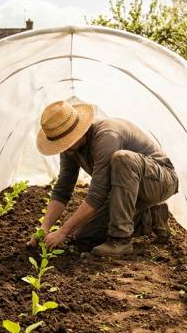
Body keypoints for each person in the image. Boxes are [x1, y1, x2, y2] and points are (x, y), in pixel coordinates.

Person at [29, 100, 178, 257]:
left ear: (78, 132)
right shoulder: (70, 149)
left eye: (66, 142)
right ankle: (151, 217)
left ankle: (120, 241)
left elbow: (97, 194)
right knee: (85, 235)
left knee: (123, 159)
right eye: (60, 144)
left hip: (160, 180)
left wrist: (63, 232)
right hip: (129, 189)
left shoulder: (106, 136)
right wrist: (44, 228)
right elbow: (62, 189)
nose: (64, 148)